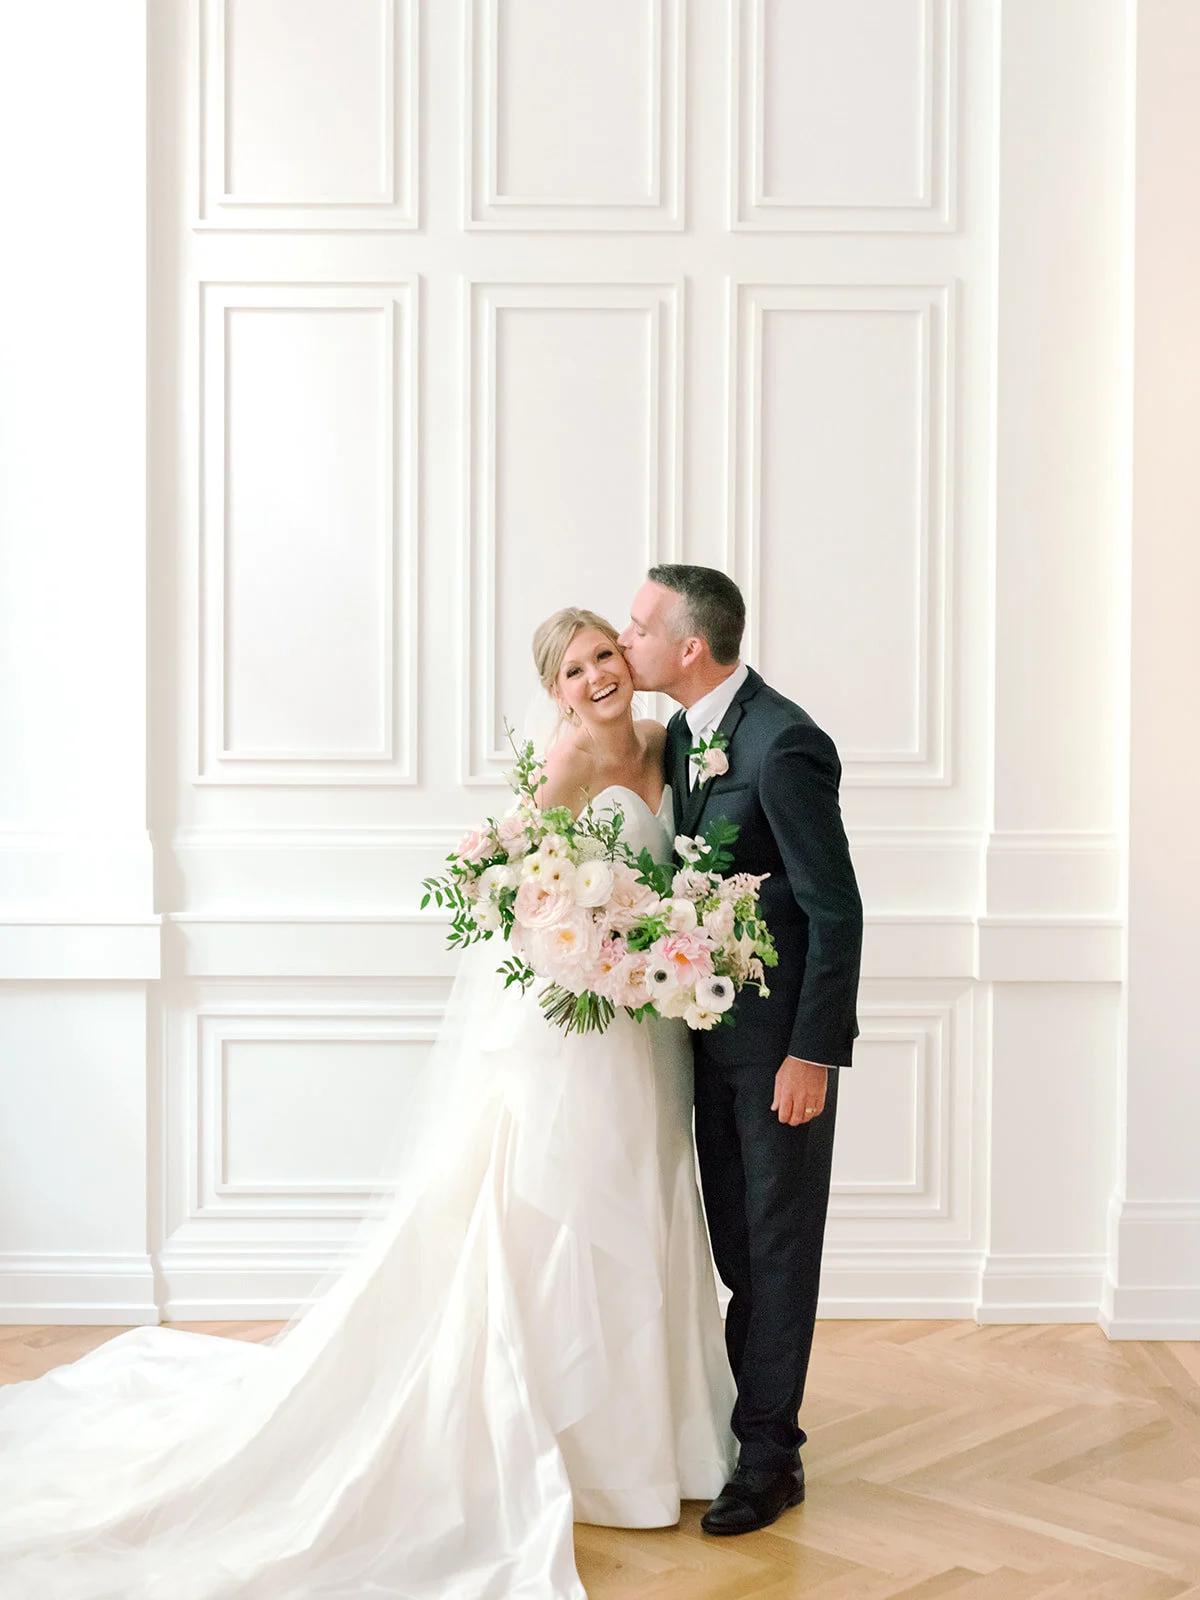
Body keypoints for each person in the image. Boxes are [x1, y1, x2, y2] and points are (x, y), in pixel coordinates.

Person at [0, 607, 735, 1600]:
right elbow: (518, 895)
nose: (598, 675)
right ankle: (573, 1439)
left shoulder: (666, 744)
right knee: (566, 1205)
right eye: (574, 668)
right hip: (574, 1035)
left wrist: (660, 947)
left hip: (647, 1028)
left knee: (646, 1193)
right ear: (554, 690)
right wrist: (589, 947)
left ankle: (658, 1442)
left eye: (606, 652)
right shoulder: (564, 766)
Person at [619, 565, 863, 1537]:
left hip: (779, 1057)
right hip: (706, 1043)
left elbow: (833, 908)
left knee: (777, 1251)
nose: (626, 637)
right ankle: (747, 1429)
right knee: (736, 1248)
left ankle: (770, 1460)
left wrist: (814, 1053)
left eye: (639, 627)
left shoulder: (784, 740)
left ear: (689, 646)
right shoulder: (683, 733)